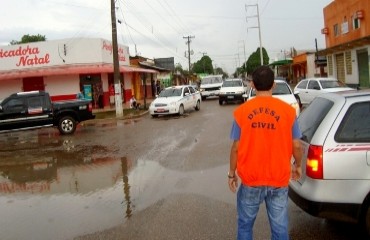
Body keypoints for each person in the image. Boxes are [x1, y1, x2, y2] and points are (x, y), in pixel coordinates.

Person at [228, 65, 302, 240]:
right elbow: (297, 146)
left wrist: (232, 174)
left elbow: (235, 148)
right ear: (274, 85)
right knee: (280, 228)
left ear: (252, 85)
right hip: (279, 179)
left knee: (245, 226)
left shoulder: (242, 112)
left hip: (251, 180)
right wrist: (298, 165)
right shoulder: (288, 112)